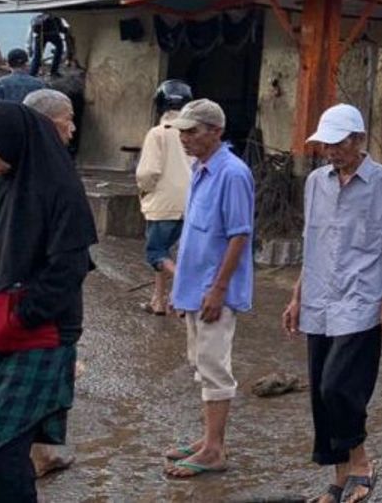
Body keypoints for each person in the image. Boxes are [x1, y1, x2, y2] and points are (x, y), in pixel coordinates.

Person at [283, 104, 382, 503]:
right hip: (319, 300)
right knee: (320, 395)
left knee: (339, 385)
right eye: (324, 144)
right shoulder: (315, 183)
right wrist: (296, 295)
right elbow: (313, 244)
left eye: (337, 144)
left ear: (358, 140)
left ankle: (361, 462)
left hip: (361, 299)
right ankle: (340, 477)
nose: (329, 151)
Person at [0, 103, 97, 502]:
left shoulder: (58, 188)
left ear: (12, 143)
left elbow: (69, 266)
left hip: (39, 336)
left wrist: (24, 314)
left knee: (0, 451)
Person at [162, 99, 254, 479]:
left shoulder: (232, 173)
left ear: (216, 131)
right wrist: (179, 289)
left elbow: (238, 236)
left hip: (214, 289)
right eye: (182, 131)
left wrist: (218, 289)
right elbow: (194, 236)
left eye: (192, 131)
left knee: (215, 367)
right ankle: (208, 440)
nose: (185, 138)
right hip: (195, 287)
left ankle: (214, 449)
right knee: (201, 364)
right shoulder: (202, 169)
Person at [18, 88, 82, 478]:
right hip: (40, 307)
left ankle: (43, 449)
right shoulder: (48, 176)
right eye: (67, 119)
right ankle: (39, 454)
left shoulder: (41, 168)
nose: (73, 128)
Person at [135, 80, 194, 316]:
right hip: (190, 201)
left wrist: (145, 189)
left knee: (156, 253)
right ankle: (159, 300)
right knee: (174, 253)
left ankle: (188, 289)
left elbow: (148, 172)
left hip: (163, 202)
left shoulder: (158, 133)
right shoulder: (192, 132)